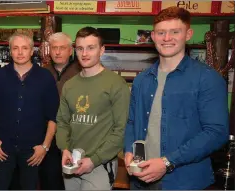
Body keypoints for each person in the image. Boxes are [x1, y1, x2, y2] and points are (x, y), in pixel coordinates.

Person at [124, 6, 229, 190]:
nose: (167, 38)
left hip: (184, 182)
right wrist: (128, 151)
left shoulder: (207, 78)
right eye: (161, 32)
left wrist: (167, 162)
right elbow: (132, 122)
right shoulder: (142, 80)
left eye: (175, 32)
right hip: (140, 180)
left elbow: (216, 132)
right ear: (153, 36)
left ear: (188, 34)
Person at [56, 26, 130, 190]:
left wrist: (95, 159)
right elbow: (62, 122)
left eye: (91, 48)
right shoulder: (70, 85)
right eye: (80, 48)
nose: (85, 53)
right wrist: (64, 149)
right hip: (72, 163)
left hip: (99, 165)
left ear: (102, 50)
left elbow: (121, 129)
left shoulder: (116, 84)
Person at [0, 32, 59, 189]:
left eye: (24, 48)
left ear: (32, 51)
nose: (20, 52)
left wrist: (45, 147)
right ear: (10, 51)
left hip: (33, 151)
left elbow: (53, 117)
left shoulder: (45, 77)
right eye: (15, 48)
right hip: (3, 148)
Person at [41, 32, 80, 190]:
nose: (57, 52)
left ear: (70, 50)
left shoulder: (81, 71)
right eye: (54, 48)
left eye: (62, 48)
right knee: (49, 181)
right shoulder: (42, 73)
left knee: (72, 182)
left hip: (73, 136)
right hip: (47, 138)